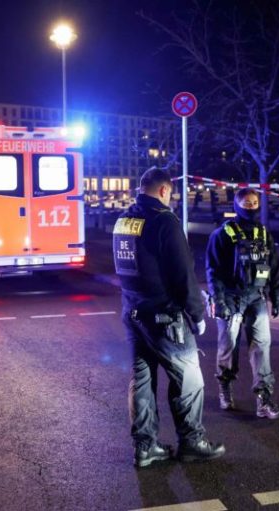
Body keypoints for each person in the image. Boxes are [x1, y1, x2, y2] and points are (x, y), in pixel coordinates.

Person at [114, 167, 225, 468]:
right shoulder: (165, 221)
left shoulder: (124, 220)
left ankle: (145, 447)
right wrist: (197, 314)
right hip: (165, 316)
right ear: (164, 190)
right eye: (171, 193)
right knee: (189, 380)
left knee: (141, 381)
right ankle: (191, 442)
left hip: (134, 312)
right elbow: (183, 274)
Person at [205, 187, 279, 419]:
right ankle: (225, 387)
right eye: (246, 203)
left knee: (261, 348)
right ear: (237, 205)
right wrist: (219, 301)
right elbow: (213, 271)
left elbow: (275, 268)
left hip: (256, 298)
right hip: (230, 298)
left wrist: (277, 297)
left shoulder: (263, 233)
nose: (250, 206)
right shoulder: (222, 234)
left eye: (254, 202)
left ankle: (264, 400)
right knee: (228, 346)